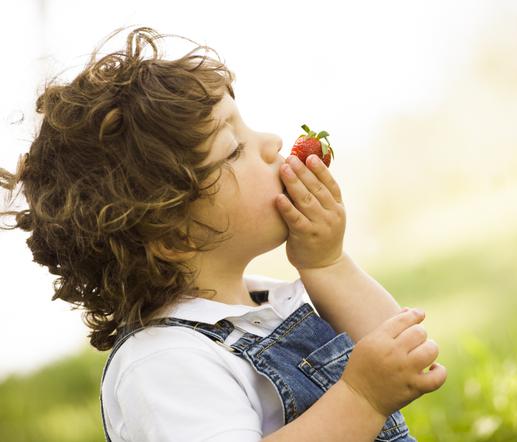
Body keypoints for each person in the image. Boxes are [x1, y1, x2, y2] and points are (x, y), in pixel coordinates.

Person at [0, 26, 447, 441]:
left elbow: (406, 347)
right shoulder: (163, 363)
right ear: (171, 235)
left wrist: (326, 262)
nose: (272, 142)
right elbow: (372, 387)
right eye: (234, 149)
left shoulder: (268, 302)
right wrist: (361, 399)